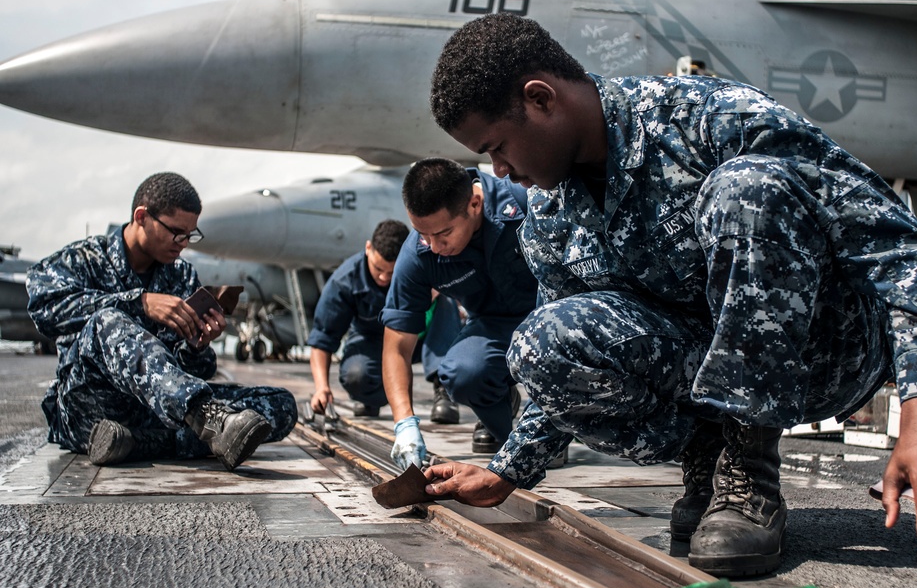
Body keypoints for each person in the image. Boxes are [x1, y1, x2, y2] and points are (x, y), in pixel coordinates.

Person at [421, 13, 917, 577]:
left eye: (498, 148)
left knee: (748, 188)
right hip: (708, 368)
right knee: (543, 340)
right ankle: (710, 463)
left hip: (829, 352)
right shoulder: (547, 216)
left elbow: (897, 247)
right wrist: (507, 470)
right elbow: (556, 360)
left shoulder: (705, 116)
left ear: (540, 99)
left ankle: (747, 469)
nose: (500, 172)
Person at [26, 172, 297, 470]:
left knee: (279, 404)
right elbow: (43, 309)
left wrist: (198, 345)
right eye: (176, 232)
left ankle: (137, 443)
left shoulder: (181, 276)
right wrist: (140, 303)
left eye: (191, 235)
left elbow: (193, 371)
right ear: (142, 217)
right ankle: (205, 422)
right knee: (109, 319)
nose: (183, 243)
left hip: (157, 411)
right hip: (91, 406)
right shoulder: (84, 259)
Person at [382, 158, 539, 469]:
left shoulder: (525, 201)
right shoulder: (418, 255)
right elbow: (397, 345)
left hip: (551, 315)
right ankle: (511, 426)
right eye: (423, 234)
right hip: (494, 324)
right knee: (462, 373)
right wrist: (404, 423)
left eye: (444, 234)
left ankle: (552, 422)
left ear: (475, 204)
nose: (434, 246)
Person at [307, 219, 461, 420]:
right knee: (356, 376)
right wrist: (322, 387)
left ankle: (445, 390)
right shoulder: (344, 281)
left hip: (417, 337)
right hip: (373, 342)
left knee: (446, 297)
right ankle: (373, 397)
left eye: (392, 272)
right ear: (368, 248)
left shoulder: (424, 263)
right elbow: (322, 337)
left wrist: (434, 290)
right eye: (378, 269)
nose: (384, 278)